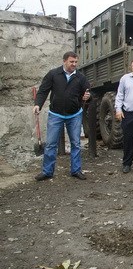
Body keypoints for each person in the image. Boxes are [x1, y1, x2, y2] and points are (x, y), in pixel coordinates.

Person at [34, 51, 90, 181]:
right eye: (71, 62)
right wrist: (38, 104)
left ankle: (76, 170)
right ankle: (47, 172)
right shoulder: (53, 74)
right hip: (56, 114)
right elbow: (43, 91)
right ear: (64, 61)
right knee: (51, 144)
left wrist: (88, 96)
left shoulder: (81, 77)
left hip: (75, 114)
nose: (74, 64)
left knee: (75, 143)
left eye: (76, 62)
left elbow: (87, 93)